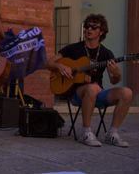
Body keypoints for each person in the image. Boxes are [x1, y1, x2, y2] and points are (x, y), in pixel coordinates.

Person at [46, 14, 132, 147]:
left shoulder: (106, 53)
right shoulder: (73, 48)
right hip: (76, 94)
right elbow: (48, 63)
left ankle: (112, 134)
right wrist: (60, 66)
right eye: (87, 26)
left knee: (127, 92)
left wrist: (116, 72)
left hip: (99, 94)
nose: (89, 29)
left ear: (101, 31)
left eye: (94, 27)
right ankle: (86, 132)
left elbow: (114, 81)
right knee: (92, 88)